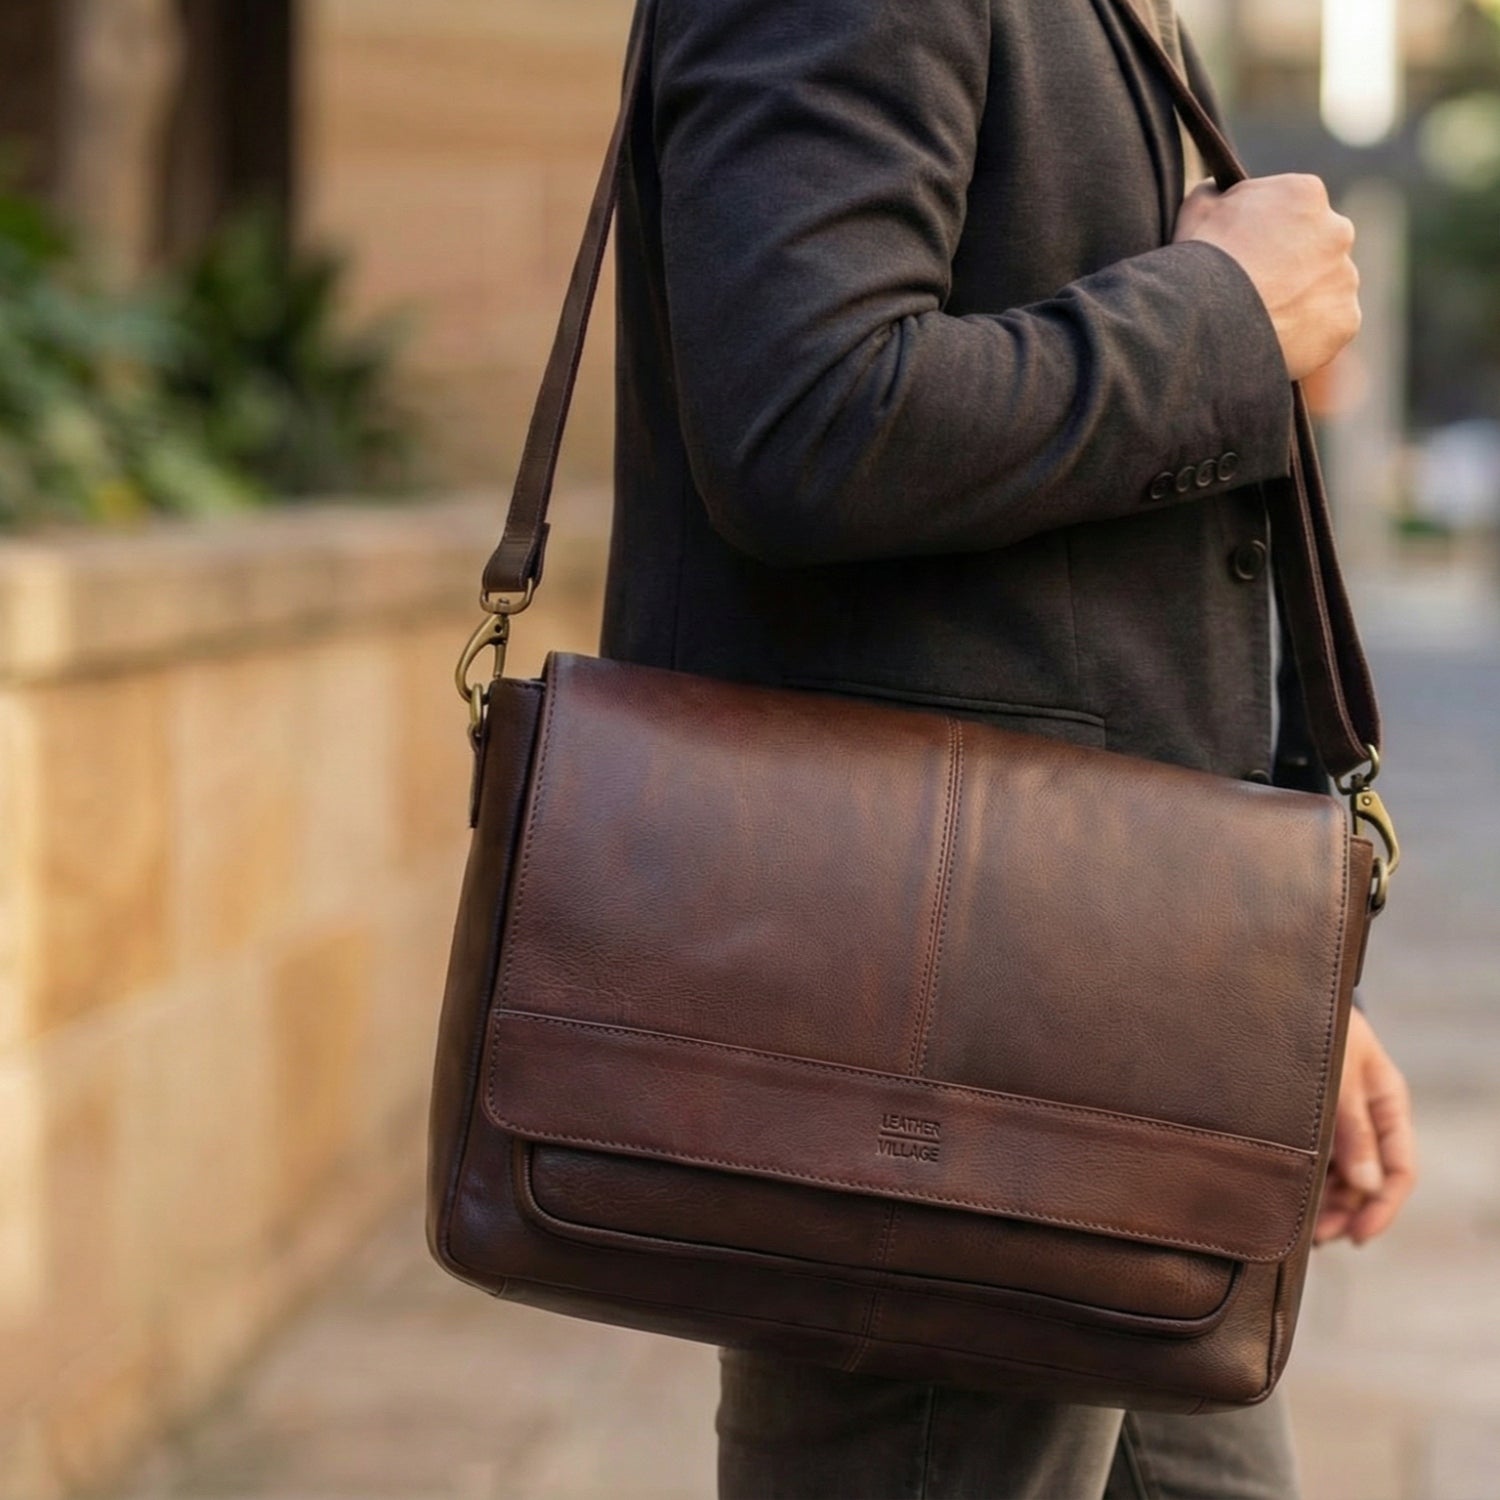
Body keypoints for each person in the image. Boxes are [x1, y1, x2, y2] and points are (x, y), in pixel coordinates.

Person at [601, 0, 1418, 1494]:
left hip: (1109, 997)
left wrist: (1269, 974)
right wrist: (1224, 321)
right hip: (935, 1023)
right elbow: (804, 419)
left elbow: (1101, 597)